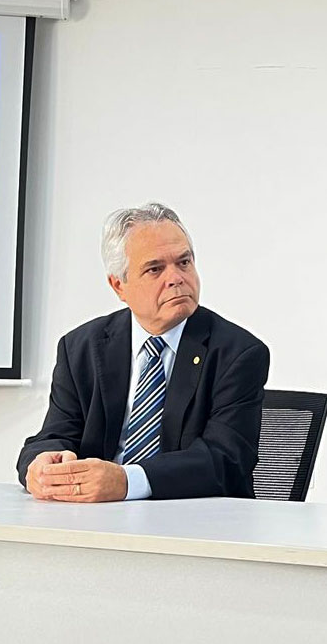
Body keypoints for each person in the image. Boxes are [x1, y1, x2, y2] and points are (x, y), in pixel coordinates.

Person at [16, 203, 268, 502]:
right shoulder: (80, 348)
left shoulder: (238, 352)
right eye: (155, 269)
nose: (175, 278)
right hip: (94, 520)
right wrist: (43, 465)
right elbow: (55, 434)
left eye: (184, 262)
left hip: (195, 521)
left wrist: (127, 481)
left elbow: (225, 460)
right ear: (119, 286)